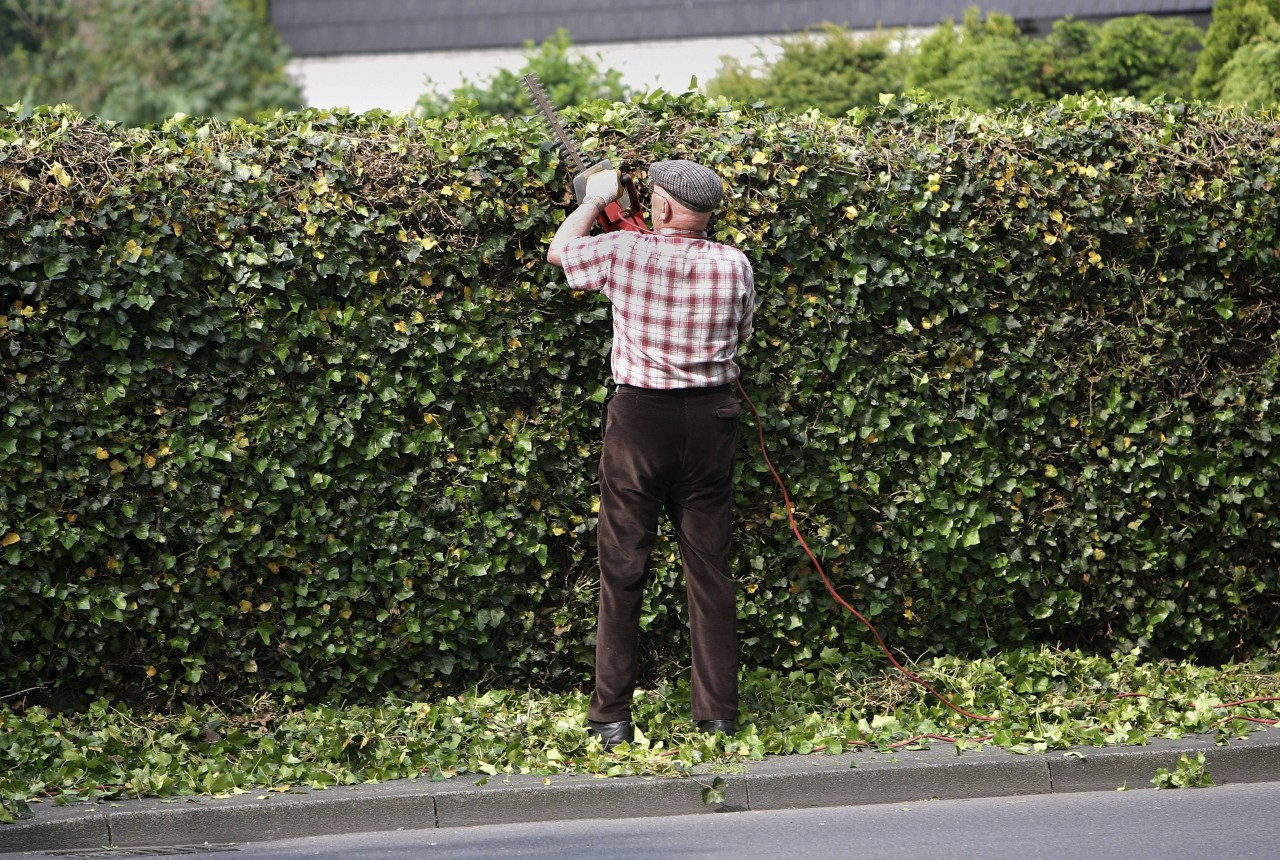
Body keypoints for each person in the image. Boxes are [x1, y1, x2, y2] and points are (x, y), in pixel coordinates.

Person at [546, 159, 756, 749]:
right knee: (710, 570)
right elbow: (740, 336)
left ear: (661, 206)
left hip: (641, 419)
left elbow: (561, 253)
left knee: (623, 567)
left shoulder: (623, 253)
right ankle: (718, 716)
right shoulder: (734, 263)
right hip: (712, 417)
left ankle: (611, 717)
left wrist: (592, 199)